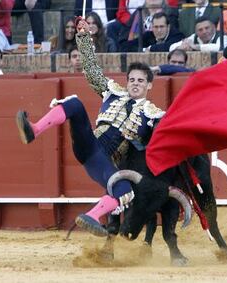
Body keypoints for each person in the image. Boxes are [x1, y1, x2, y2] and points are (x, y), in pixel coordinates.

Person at [15, 19, 165, 237]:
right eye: (131, 79)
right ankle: (34, 130)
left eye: (140, 81)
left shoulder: (153, 114)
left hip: (104, 161)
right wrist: (84, 37)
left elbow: (166, 134)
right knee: (75, 104)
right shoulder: (113, 91)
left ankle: (93, 216)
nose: (135, 83)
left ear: (149, 85)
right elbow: (91, 69)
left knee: (124, 190)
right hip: (91, 145)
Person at [119, 12, 184, 52]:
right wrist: (143, 50)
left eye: (162, 26)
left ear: (168, 27)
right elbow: (125, 46)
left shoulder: (177, 35)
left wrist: (149, 49)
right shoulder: (149, 35)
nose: (159, 30)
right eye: (156, 27)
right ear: (152, 27)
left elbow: (168, 47)